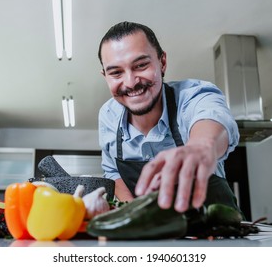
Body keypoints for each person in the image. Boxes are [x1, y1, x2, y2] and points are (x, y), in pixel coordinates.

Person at [98, 21, 240, 213]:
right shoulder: (108, 116)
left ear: (162, 62)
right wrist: (133, 213)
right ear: (105, 76)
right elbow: (113, 172)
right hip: (152, 233)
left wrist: (201, 147)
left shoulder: (193, 95)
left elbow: (214, 119)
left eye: (141, 65)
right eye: (116, 73)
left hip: (215, 230)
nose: (130, 82)